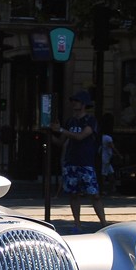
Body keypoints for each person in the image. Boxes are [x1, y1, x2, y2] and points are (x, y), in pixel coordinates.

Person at [50, 90, 106, 228]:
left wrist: (61, 130)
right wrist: (48, 132)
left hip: (86, 162)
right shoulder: (70, 121)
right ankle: (77, 223)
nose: (73, 103)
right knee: (74, 194)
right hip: (71, 161)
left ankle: (104, 223)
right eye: (73, 101)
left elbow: (81, 136)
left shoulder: (90, 120)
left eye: (77, 101)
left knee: (94, 194)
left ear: (83, 104)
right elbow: (61, 142)